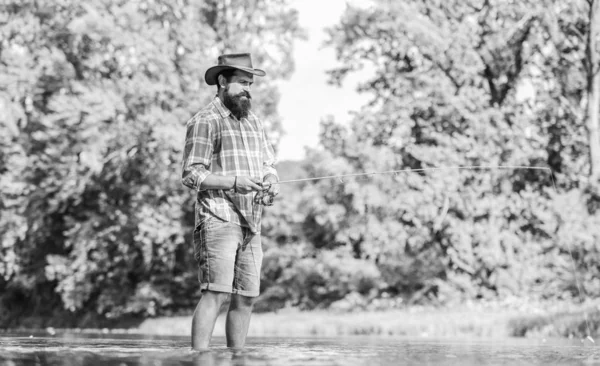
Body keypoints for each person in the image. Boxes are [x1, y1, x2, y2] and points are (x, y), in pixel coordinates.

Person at [181, 53, 280, 350]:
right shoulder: (204, 121)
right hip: (218, 218)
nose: (248, 89)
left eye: (250, 83)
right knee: (216, 293)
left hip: (252, 222)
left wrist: (271, 182)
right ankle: (199, 359)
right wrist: (234, 182)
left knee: (246, 297)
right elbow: (192, 174)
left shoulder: (255, 123)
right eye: (241, 82)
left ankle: (237, 359)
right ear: (222, 82)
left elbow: (268, 165)